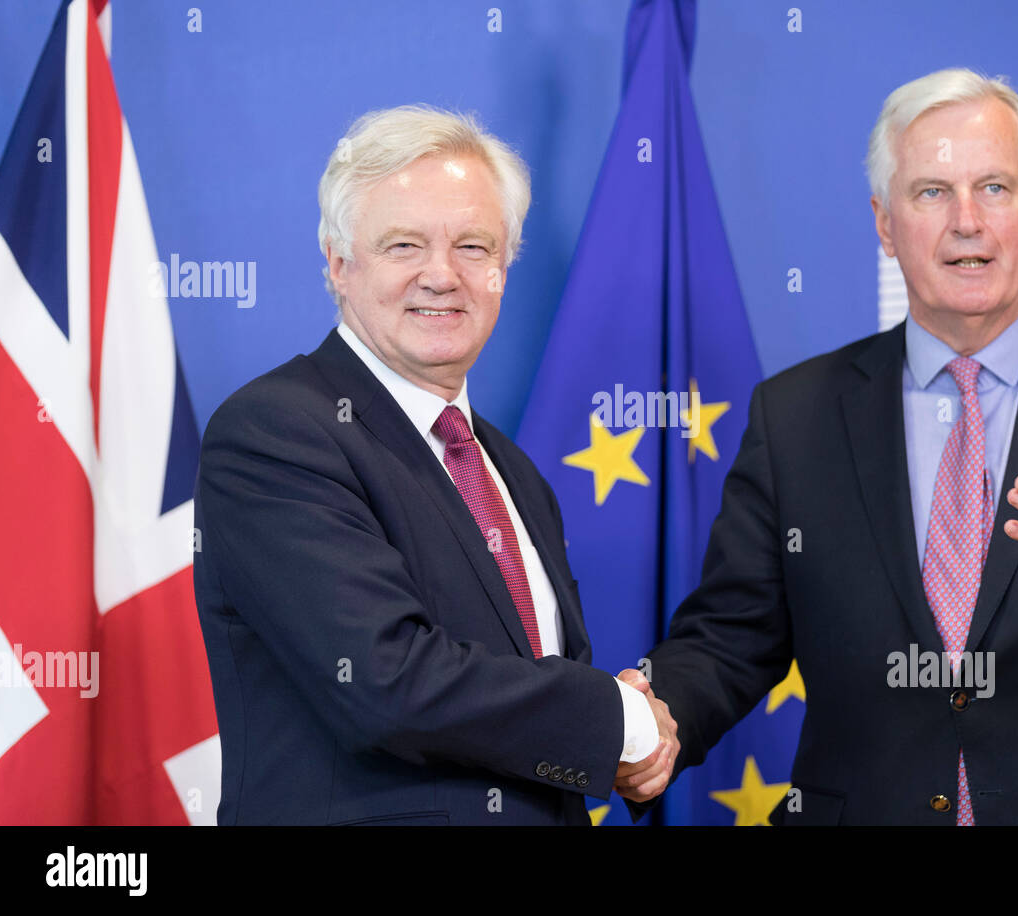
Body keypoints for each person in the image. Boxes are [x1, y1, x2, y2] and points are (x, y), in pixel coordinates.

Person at [614, 68, 1018, 825]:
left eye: (994, 187)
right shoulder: (793, 414)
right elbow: (733, 637)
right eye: (931, 191)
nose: (967, 220)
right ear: (885, 223)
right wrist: (657, 719)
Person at [193, 105, 676, 825]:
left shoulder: (512, 473)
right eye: (404, 245)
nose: (441, 276)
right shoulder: (277, 431)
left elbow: (535, 709)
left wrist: (618, 737)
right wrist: (620, 719)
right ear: (339, 264)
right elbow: (385, 683)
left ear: (505, 268)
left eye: (474, 247)